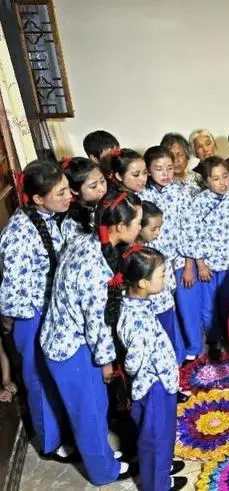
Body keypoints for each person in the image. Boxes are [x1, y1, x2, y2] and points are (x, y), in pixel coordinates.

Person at [40, 191, 142, 485]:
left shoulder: (87, 241)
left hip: (64, 338)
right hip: (71, 349)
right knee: (90, 413)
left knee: (91, 409)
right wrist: (107, 362)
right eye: (137, 222)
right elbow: (96, 324)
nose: (140, 227)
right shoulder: (94, 268)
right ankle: (103, 472)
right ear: (120, 227)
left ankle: (103, 458)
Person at [0, 160, 73, 458]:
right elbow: (13, 292)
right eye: (61, 192)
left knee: (55, 376)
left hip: (52, 309)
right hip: (31, 316)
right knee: (39, 379)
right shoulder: (18, 234)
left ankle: (65, 430)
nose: (70, 196)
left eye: (68, 188)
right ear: (39, 198)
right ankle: (49, 443)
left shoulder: (51, 217)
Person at [113, 245, 187, 491]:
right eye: (162, 274)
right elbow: (134, 359)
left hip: (159, 382)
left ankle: (161, 473)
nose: (166, 278)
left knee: (161, 436)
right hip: (154, 387)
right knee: (156, 439)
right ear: (143, 283)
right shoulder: (138, 319)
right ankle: (157, 485)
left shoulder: (134, 303)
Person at [185, 156, 229, 352]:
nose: (222, 182)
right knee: (208, 308)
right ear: (206, 181)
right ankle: (213, 342)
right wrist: (201, 264)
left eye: (225, 176)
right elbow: (192, 234)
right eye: (216, 178)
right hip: (209, 268)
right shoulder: (198, 203)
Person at [137, 201, 185, 366]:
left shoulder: (158, 244)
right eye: (153, 229)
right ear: (138, 226)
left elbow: (169, 276)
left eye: (160, 228)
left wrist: (171, 297)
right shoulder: (134, 254)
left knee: (169, 342)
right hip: (147, 309)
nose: (158, 233)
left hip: (164, 304)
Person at [60, 157, 108, 244]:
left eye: (102, 180)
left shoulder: (108, 201)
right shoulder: (72, 222)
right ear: (74, 190)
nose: (102, 189)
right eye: (93, 186)